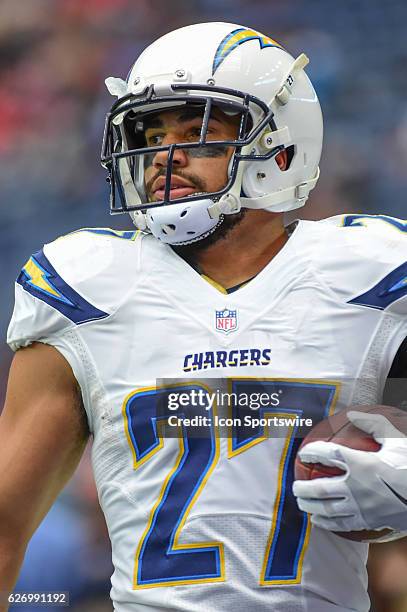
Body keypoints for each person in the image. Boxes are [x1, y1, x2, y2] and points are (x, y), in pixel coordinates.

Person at [1, 21, 407, 612]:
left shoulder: (373, 274)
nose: (166, 157)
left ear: (282, 147)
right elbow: (6, 523)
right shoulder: (86, 287)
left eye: (200, 132)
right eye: (152, 132)